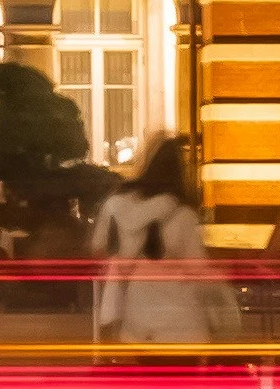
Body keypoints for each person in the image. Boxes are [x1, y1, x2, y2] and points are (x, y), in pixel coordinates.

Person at [90, 134, 222, 345]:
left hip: (138, 322)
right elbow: (198, 269)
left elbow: (98, 251)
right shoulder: (183, 215)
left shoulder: (116, 205)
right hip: (183, 327)